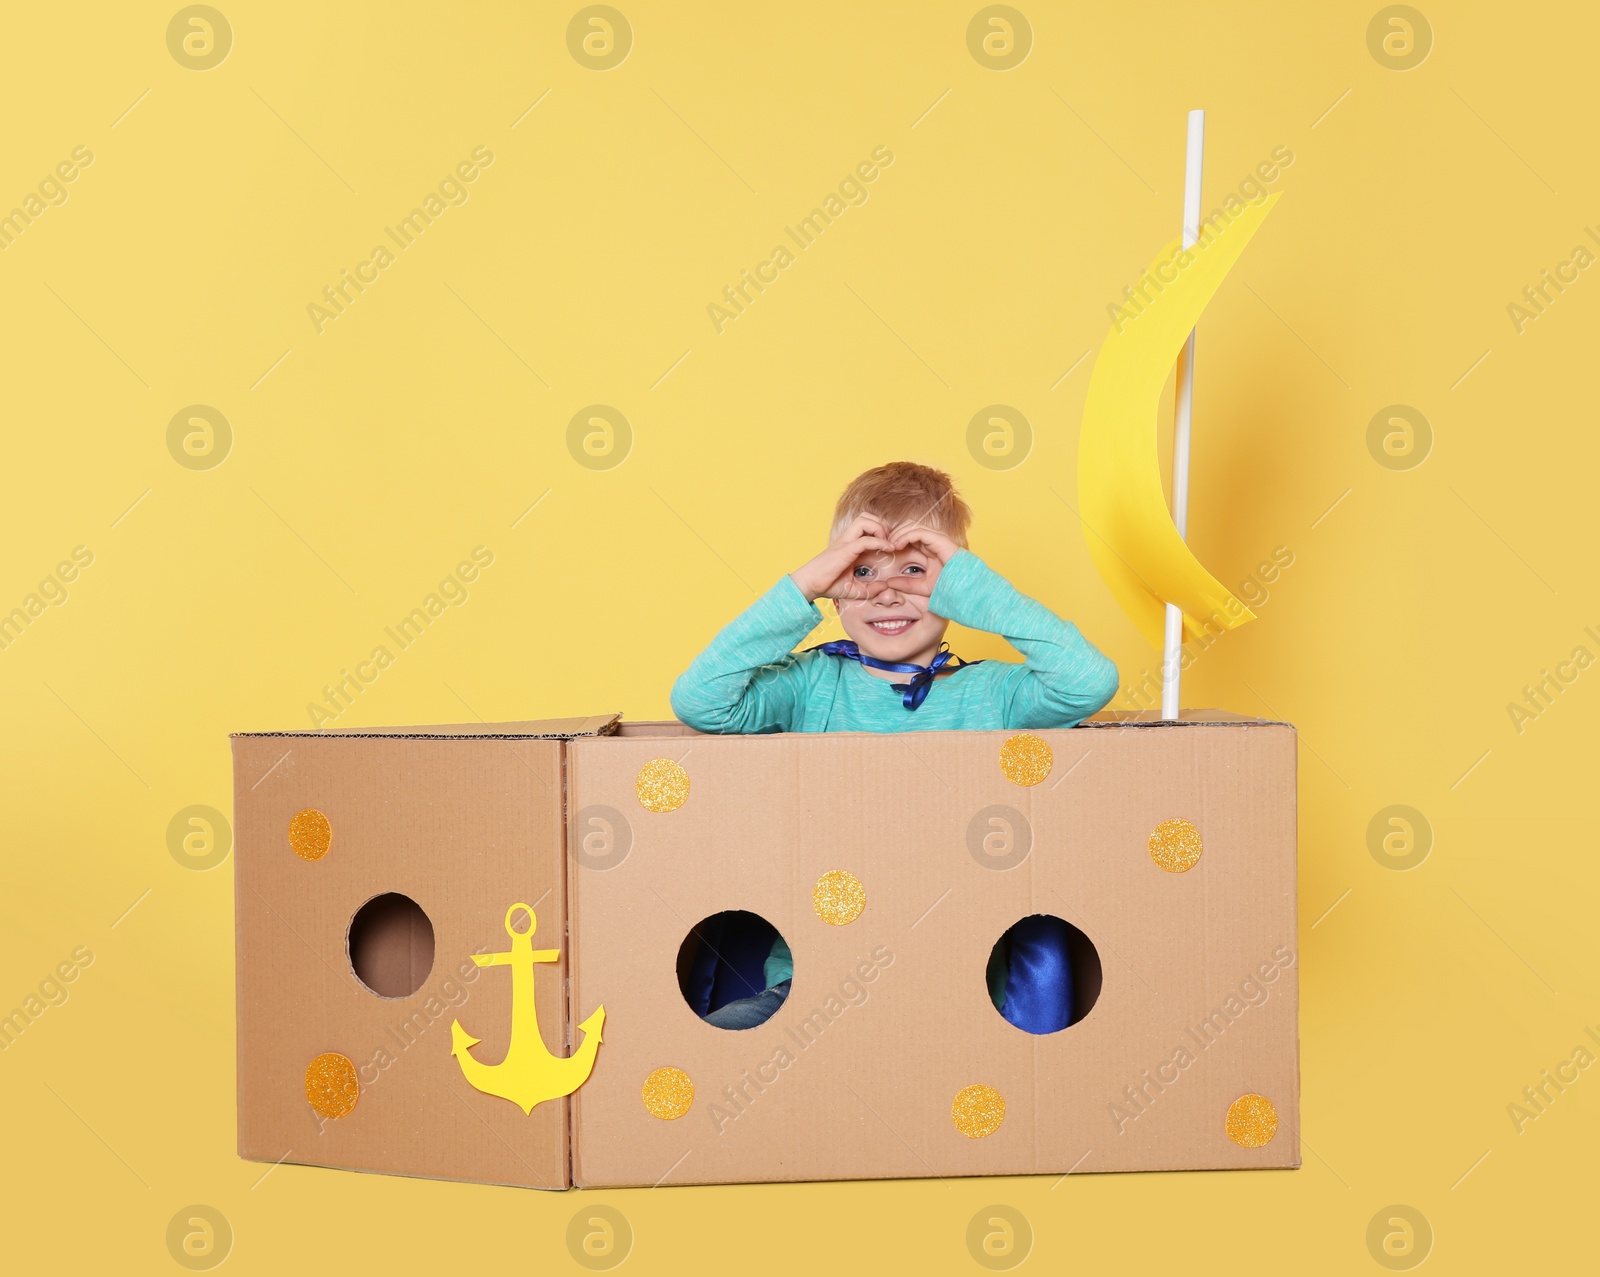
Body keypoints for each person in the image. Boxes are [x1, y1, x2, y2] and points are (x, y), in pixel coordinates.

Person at [670, 461, 1119, 1032]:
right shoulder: (809, 684)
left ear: (956, 589)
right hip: (811, 984)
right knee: (721, 1046)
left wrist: (971, 584)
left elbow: (1089, 679)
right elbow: (700, 702)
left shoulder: (994, 694)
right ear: (836, 590)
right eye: (863, 571)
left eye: (914, 570)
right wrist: (803, 585)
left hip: (964, 986)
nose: (888, 592)